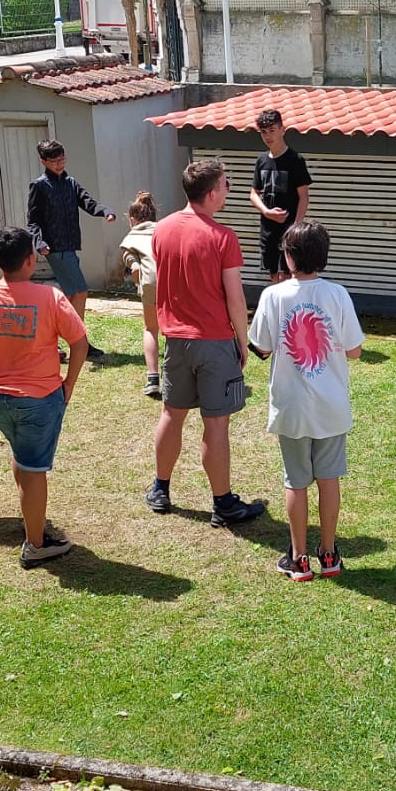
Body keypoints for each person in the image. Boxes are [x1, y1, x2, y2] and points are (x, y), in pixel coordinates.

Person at [0, 227, 88, 568]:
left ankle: (33, 524)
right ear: (30, 259)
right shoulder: (50, 298)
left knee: (23, 457)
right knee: (33, 470)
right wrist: (69, 384)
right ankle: (35, 544)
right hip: (39, 400)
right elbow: (79, 341)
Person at [145, 158, 267, 528]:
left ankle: (160, 488)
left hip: (175, 340)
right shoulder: (223, 237)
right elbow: (235, 299)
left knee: (172, 414)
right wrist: (243, 341)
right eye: (226, 184)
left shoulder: (162, 230)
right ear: (212, 193)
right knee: (215, 424)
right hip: (214, 342)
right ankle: (223, 503)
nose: (229, 189)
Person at [249, 220, 364, 580]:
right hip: (330, 406)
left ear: (288, 256)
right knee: (329, 479)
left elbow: (261, 346)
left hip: (292, 406)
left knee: (295, 480)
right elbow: (355, 350)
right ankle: (328, 554)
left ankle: (299, 558)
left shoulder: (273, 296)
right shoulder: (338, 294)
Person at [25, 140, 117, 330]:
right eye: (54, 161)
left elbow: (88, 202)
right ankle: (77, 335)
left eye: (62, 159)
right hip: (55, 248)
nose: (60, 164)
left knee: (70, 294)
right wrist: (39, 243)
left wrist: (105, 211)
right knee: (80, 291)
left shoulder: (70, 183)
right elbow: (32, 221)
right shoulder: (39, 186)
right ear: (43, 161)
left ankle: (59, 332)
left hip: (71, 245)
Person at [249, 108, 312, 285]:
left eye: (272, 130)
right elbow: (254, 193)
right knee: (273, 276)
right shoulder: (261, 160)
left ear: (282, 130)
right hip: (268, 230)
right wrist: (266, 211)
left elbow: (304, 197)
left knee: (288, 276)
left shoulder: (295, 160)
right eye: (263, 132)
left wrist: (295, 228)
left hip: (289, 230)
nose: (268, 136)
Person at [120, 192, 162, 399]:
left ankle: (153, 378)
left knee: (151, 329)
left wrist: (137, 277)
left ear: (132, 219)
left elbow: (132, 264)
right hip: (173, 283)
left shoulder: (131, 237)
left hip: (150, 284)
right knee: (174, 330)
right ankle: (177, 376)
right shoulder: (165, 230)